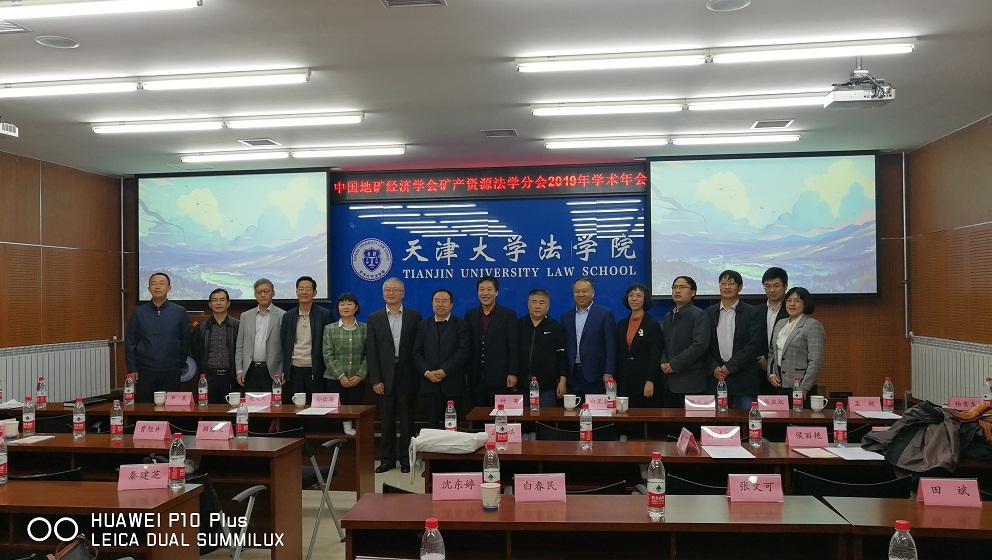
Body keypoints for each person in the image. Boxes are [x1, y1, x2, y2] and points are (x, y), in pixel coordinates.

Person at [366, 277, 422, 474]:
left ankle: (407, 459)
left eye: (395, 290)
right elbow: (371, 351)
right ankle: (387, 460)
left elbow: (418, 348)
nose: (391, 293)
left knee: (407, 421)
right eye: (387, 290)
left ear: (402, 293)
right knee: (387, 421)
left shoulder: (414, 316)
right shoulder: (374, 318)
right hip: (384, 376)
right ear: (383, 293)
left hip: (407, 374)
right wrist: (376, 379)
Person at [125, 272, 191, 403]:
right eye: (153, 284)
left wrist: (181, 365)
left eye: (161, 283)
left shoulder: (179, 311)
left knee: (170, 407)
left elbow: (185, 340)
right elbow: (130, 341)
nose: (157, 287)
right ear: (149, 289)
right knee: (145, 407)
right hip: (145, 370)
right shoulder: (139, 312)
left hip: (171, 369)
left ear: (169, 288)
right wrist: (132, 368)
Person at [705, 270, 765, 409]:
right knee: (717, 419)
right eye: (723, 283)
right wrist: (713, 367)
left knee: (748, 417)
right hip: (717, 376)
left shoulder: (752, 312)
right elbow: (704, 344)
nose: (727, 287)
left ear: (740, 287)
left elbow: (754, 344)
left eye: (731, 283)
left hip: (744, 377)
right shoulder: (709, 313)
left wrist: (730, 366)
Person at [413, 288, 469, 429]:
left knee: (453, 425)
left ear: (451, 305)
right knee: (432, 424)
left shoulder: (461, 325)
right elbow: (417, 353)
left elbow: (463, 352)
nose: (440, 304)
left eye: (444, 301)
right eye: (437, 301)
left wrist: (445, 370)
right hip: (430, 384)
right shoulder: (423, 325)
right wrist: (427, 372)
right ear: (432, 304)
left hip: (453, 383)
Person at [465, 276, 519, 408]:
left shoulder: (508, 315)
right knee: (478, 415)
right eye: (481, 289)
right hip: (476, 378)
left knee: (501, 415)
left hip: (500, 378)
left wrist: (512, 372)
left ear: (496, 292)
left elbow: (513, 346)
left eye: (489, 289)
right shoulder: (470, 314)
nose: (485, 293)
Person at [561, 277, 617, 401]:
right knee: (571, 411)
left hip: (596, 376)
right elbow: (564, 349)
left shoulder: (605, 314)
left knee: (596, 411)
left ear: (593, 293)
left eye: (584, 291)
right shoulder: (566, 317)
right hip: (572, 376)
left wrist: (608, 373)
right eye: (577, 291)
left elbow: (611, 347)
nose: (580, 294)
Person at [280, 275, 335, 402]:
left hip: (317, 369)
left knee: (316, 407)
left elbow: (330, 343)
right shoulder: (288, 316)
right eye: (301, 289)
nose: (304, 292)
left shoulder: (324, 314)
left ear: (314, 293)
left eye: (308, 289)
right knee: (296, 407)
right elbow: (284, 342)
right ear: (296, 292)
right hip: (294, 369)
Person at [660, 276, 711, 408]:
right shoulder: (668, 316)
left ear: (693, 292)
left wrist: (675, 364)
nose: (677, 291)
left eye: (682, 287)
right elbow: (664, 343)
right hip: (669, 382)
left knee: (691, 421)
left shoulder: (699, 315)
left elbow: (700, 345)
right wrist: (663, 361)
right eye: (675, 287)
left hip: (691, 382)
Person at [767, 287, 825, 401]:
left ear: (805, 303)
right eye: (789, 300)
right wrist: (771, 374)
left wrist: (805, 386)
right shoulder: (780, 324)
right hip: (779, 383)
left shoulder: (813, 325)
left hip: (800, 386)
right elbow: (772, 353)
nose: (792, 304)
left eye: (797, 301)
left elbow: (816, 360)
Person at [323, 292, 367, 435]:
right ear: (338, 308)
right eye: (342, 304)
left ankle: (353, 436)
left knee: (355, 408)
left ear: (356, 307)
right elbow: (328, 355)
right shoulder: (330, 329)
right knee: (336, 410)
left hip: (357, 379)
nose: (345, 307)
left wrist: (360, 375)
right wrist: (341, 376)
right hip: (334, 379)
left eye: (349, 304)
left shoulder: (365, 328)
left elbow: (369, 355)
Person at [615, 282, 664, 408]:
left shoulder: (652, 324)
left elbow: (655, 355)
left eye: (638, 295)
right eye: (631, 295)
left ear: (645, 299)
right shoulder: (621, 324)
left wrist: (650, 380)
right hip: (624, 381)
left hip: (644, 381)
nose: (634, 299)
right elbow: (618, 353)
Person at [517, 288, 568, 407]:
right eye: (534, 302)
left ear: (548, 306)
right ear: (528, 304)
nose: (537, 306)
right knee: (523, 418)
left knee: (546, 417)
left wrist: (562, 381)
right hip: (522, 385)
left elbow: (562, 357)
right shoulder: (519, 325)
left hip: (547, 387)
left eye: (542, 302)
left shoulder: (555, 327)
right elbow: (512, 353)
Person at [235, 278, 285, 393]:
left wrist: (284, 370)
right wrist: (239, 370)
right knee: (251, 402)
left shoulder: (282, 315)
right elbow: (240, 344)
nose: (263, 295)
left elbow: (286, 346)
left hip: (273, 371)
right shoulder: (245, 316)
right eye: (259, 292)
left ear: (273, 293)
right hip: (249, 370)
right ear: (255, 294)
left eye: (266, 291)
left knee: (273, 403)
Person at [190, 288, 239, 404]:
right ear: (210, 304)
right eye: (215, 300)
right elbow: (196, 352)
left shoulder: (238, 326)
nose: (218, 303)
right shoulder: (201, 328)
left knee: (230, 410)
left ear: (228, 303)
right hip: (208, 378)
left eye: (222, 300)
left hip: (231, 377)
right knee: (209, 410)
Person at [757, 267, 789, 395]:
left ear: (785, 286)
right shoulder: (756, 311)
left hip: (784, 371)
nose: (772, 290)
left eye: (776, 286)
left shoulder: (791, 311)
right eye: (767, 286)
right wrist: (762, 359)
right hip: (759, 369)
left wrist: (770, 361)